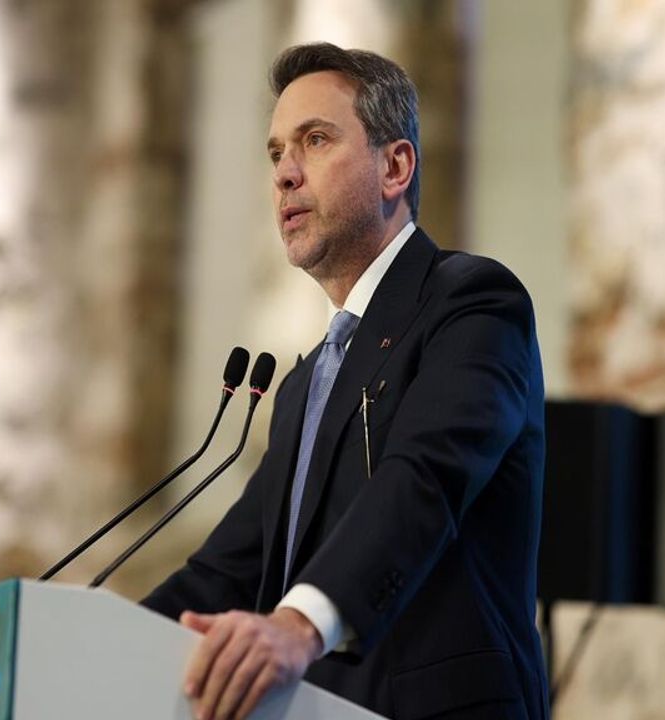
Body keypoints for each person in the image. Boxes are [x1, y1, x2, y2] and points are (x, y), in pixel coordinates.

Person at [143, 42, 549, 720]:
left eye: (315, 140)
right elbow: (226, 573)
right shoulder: (305, 385)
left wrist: (298, 625)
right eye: (276, 152)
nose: (285, 174)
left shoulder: (473, 303)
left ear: (395, 167)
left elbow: (423, 479)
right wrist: (73, 643)